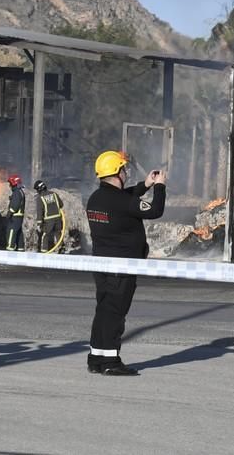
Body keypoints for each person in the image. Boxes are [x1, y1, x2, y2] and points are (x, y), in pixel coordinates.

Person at [85, 151, 166, 376]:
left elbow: (124, 201)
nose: (126, 172)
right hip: (122, 267)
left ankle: (96, 357)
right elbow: (155, 211)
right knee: (115, 313)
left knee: (103, 310)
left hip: (101, 265)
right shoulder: (120, 201)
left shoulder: (96, 198)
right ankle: (111, 361)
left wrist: (145, 184)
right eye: (124, 169)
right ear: (118, 172)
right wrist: (159, 187)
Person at [34, 180, 64, 253]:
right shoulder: (54, 194)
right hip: (58, 219)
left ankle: (44, 251)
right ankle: (61, 248)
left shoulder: (40, 198)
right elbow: (61, 205)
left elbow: (39, 211)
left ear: (39, 189)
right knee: (58, 233)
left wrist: (39, 224)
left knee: (45, 235)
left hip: (49, 220)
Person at [5, 174, 25, 251]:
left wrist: (9, 213)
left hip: (15, 216)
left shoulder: (17, 192)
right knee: (19, 232)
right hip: (19, 216)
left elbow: (15, 205)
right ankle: (20, 248)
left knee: (11, 231)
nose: (9, 186)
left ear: (14, 183)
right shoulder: (20, 191)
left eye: (10, 183)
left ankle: (10, 248)